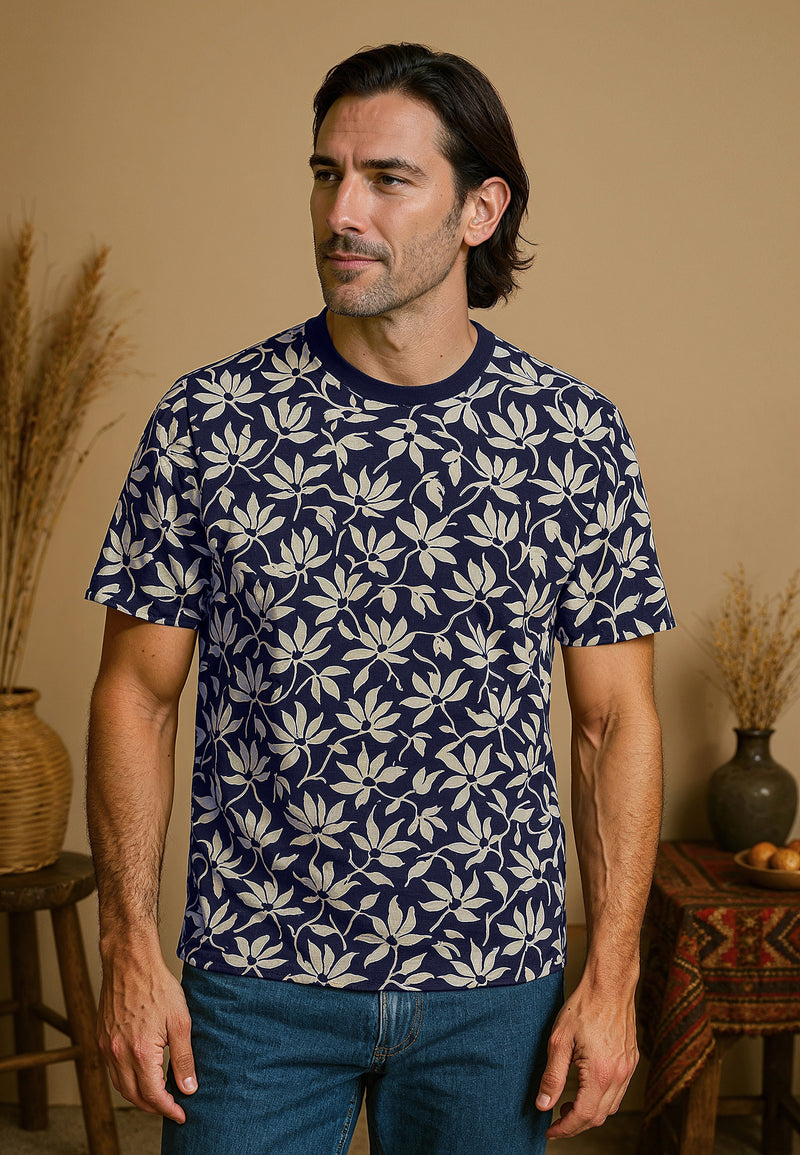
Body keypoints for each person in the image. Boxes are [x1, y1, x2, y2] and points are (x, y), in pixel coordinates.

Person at [86, 42, 674, 1155]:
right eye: (326, 174)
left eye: (386, 179)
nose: (341, 211)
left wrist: (610, 975)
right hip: (254, 983)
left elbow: (613, 721)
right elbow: (136, 695)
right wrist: (128, 945)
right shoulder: (209, 423)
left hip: (494, 989)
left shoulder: (571, 436)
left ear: (480, 209)